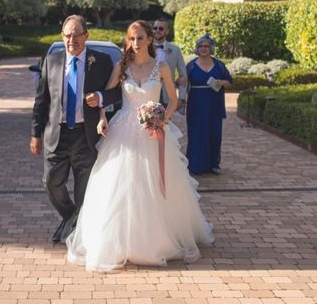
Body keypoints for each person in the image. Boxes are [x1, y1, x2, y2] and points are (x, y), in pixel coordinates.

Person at [66, 20, 214, 272]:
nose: (135, 43)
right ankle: (120, 241)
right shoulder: (121, 66)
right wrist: (102, 118)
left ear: (149, 40)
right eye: (132, 38)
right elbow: (107, 95)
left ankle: (158, 239)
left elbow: (174, 99)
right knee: (121, 186)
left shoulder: (162, 67)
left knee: (154, 186)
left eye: (140, 38)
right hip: (123, 131)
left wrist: (162, 120)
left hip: (154, 132)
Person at [30, 15, 122, 244]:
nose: (72, 40)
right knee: (51, 182)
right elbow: (41, 100)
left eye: (77, 35)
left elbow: (118, 92)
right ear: (62, 37)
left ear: (86, 36)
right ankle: (72, 219)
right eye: (67, 35)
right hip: (56, 134)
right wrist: (35, 133)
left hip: (85, 135)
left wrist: (100, 96)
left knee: (84, 189)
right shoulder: (51, 60)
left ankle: (77, 231)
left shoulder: (100, 61)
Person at [185, 34, 233, 175]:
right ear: (197, 48)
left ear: (211, 48)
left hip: (214, 103)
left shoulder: (219, 65)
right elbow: (182, 83)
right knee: (196, 132)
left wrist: (222, 82)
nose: (203, 49)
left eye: (206, 46)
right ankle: (195, 164)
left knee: (214, 132)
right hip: (196, 103)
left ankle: (213, 164)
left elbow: (230, 81)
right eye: (201, 46)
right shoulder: (191, 66)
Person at [152, 18, 187, 111]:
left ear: (167, 31)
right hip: (148, 93)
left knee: (165, 123)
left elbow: (183, 76)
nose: (157, 31)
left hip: (166, 94)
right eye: (155, 28)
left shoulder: (175, 50)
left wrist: (181, 97)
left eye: (161, 29)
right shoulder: (145, 47)